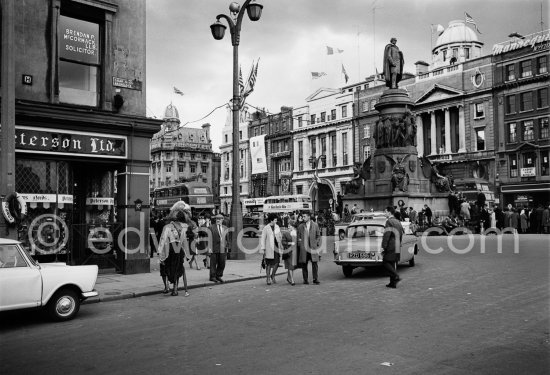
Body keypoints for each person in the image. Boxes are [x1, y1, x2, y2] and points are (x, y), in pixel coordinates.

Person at [158, 202, 191, 296]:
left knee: (165, 269)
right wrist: (188, 255)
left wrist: (160, 252)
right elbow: (184, 242)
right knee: (177, 270)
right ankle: (175, 289)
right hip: (179, 251)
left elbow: (162, 240)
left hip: (169, 250)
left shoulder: (167, 227)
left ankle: (166, 286)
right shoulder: (183, 228)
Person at [381, 206, 404, 288]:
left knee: (386, 261)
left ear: (389, 212)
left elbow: (387, 235)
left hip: (391, 244)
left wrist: (383, 246)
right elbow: (401, 233)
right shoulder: (398, 221)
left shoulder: (389, 221)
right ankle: (392, 283)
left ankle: (396, 276)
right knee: (393, 262)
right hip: (397, 244)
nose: (385, 213)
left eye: (385, 211)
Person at [297, 211, 321, 285]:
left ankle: (315, 279)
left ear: (309, 217)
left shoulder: (315, 225)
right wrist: (300, 243)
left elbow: (318, 236)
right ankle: (305, 279)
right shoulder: (300, 226)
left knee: (314, 263)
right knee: (304, 264)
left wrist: (316, 243)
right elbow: (298, 237)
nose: (303, 218)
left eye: (304, 216)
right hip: (304, 248)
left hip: (312, 248)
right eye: (302, 217)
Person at [260, 213, 283, 285]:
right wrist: (263, 248)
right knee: (268, 264)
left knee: (277, 263)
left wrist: (280, 240)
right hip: (269, 248)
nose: (276, 221)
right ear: (271, 220)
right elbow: (263, 239)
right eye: (275, 220)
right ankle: (268, 278)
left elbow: (280, 236)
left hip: (276, 248)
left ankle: (273, 275)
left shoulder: (277, 227)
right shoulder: (266, 228)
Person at [210, 214, 227, 283]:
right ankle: (212, 276)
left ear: (222, 220)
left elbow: (227, 238)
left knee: (222, 262)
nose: (218, 220)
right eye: (217, 219)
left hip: (222, 248)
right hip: (213, 247)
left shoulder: (225, 228)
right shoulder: (211, 227)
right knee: (213, 263)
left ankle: (218, 275)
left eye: (219, 219)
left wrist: (227, 246)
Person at [281, 220, 298, 285]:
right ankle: (292, 280)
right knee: (291, 266)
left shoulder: (296, 233)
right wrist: (290, 243)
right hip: (288, 252)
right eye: (289, 225)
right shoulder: (285, 233)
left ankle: (288, 278)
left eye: (290, 226)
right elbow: (283, 242)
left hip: (294, 251)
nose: (289, 227)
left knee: (292, 266)